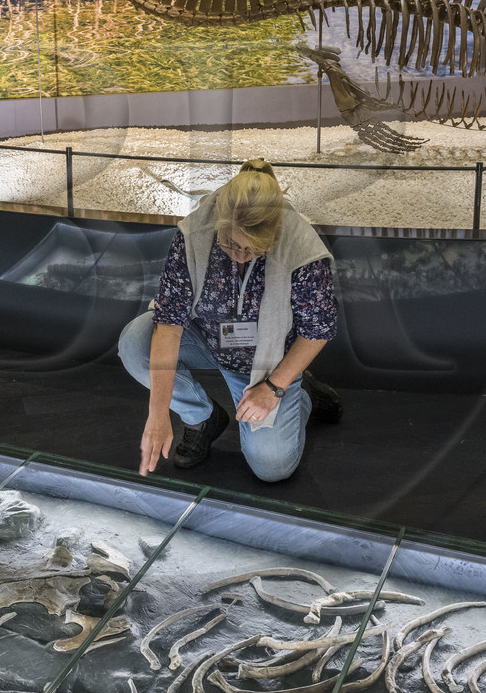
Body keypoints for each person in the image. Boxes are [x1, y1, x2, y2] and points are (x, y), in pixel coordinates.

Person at [120, 159, 342, 482]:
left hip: (266, 362)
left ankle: (301, 391)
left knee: (272, 466)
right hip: (207, 338)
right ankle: (201, 418)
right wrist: (158, 414)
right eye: (229, 242)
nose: (237, 255)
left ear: (272, 237)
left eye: (250, 250)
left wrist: (273, 386)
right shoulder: (195, 232)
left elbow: (317, 330)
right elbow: (169, 325)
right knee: (134, 343)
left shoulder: (301, 248)